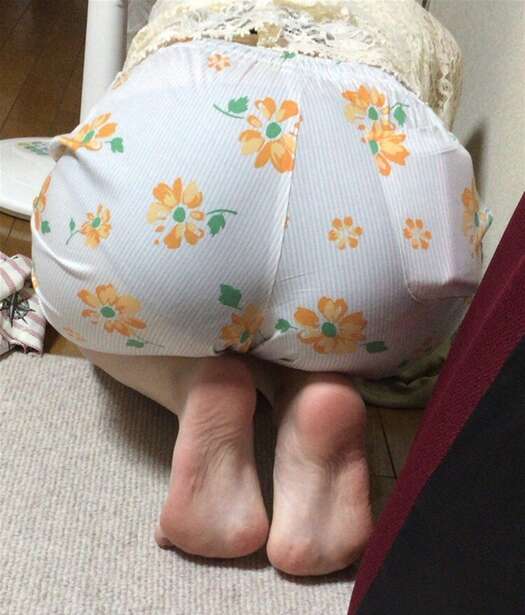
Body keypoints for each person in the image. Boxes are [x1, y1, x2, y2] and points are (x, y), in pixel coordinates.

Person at [30, 0, 492, 576]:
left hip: (174, 208)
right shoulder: (426, 31)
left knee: (82, 293)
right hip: (383, 272)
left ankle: (194, 384)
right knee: (323, 323)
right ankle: (308, 384)